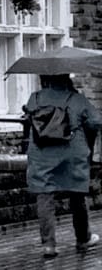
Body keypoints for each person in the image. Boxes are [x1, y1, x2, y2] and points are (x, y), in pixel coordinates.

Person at [24, 73, 101, 257]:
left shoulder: (34, 98)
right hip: (72, 152)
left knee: (44, 196)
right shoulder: (77, 99)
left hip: (42, 153)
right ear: (66, 78)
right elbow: (96, 122)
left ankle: (49, 245)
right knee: (77, 195)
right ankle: (83, 239)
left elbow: (29, 117)